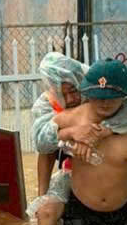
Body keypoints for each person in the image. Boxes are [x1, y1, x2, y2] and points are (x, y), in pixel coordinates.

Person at [35, 59, 127, 225]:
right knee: (47, 218)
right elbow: (42, 144)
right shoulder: (69, 119)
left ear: (125, 95)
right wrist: (69, 136)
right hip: (80, 209)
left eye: (111, 97)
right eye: (99, 97)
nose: (105, 103)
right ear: (87, 94)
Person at [29, 52, 87, 199]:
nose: (69, 99)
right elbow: (43, 146)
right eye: (62, 94)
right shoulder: (46, 104)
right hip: (69, 156)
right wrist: (41, 198)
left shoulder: (96, 95)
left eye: (74, 91)